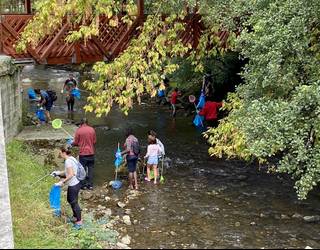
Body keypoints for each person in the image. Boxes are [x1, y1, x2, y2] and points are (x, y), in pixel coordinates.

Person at [51, 147, 82, 229]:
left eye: (60, 153)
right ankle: (75, 217)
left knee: (74, 202)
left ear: (64, 152)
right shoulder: (71, 158)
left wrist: (62, 182)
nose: (59, 155)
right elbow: (67, 171)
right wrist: (58, 173)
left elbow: (71, 174)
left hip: (74, 184)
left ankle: (79, 222)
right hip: (77, 183)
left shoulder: (68, 161)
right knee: (70, 199)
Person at [72, 118, 96, 190]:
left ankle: (83, 185)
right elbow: (94, 141)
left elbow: (75, 143)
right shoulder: (92, 129)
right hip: (91, 152)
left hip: (83, 153)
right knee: (91, 169)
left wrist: (72, 143)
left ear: (81, 123)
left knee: (83, 169)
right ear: (87, 122)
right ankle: (90, 185)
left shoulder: (78, 130)